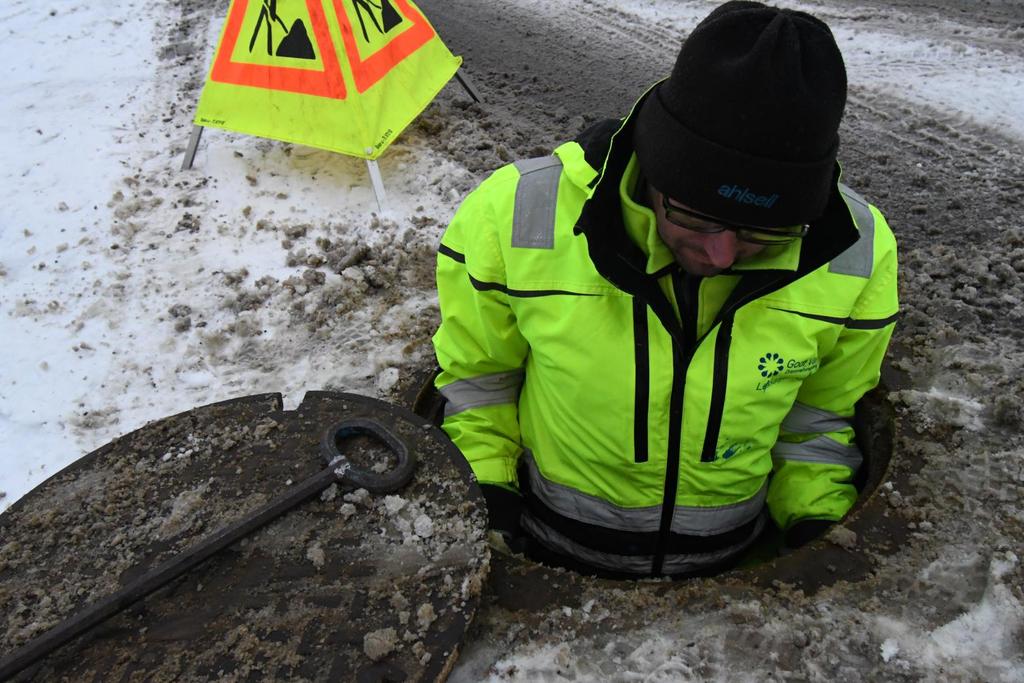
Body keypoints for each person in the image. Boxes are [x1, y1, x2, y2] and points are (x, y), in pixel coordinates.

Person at [431, 1, 899, 578]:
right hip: (550, 561)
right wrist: (488, 504)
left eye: (765, 230)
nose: (721, 253)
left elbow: (818, 424)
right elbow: (481, 389)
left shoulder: (857, 251)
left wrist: (817, 529)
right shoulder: (514, 215)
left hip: (731, 586)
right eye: (696, 217)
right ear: (654, 171)